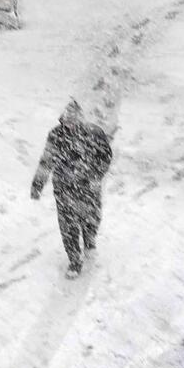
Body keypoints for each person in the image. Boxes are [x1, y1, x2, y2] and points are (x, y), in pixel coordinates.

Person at [31, 100, 113, 278]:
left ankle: (90, 240)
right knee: (68, 225)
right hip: (64, 187)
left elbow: (106, 156)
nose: (70, 125)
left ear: (80, 120)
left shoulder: (94, 133)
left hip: (88, 186)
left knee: (91, 217)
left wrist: (96, 175)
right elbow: (47, 161)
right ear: (63, 119)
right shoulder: (56, 135)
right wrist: (37, 185)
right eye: (67, 122)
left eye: (73, 122)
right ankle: (75, 261)